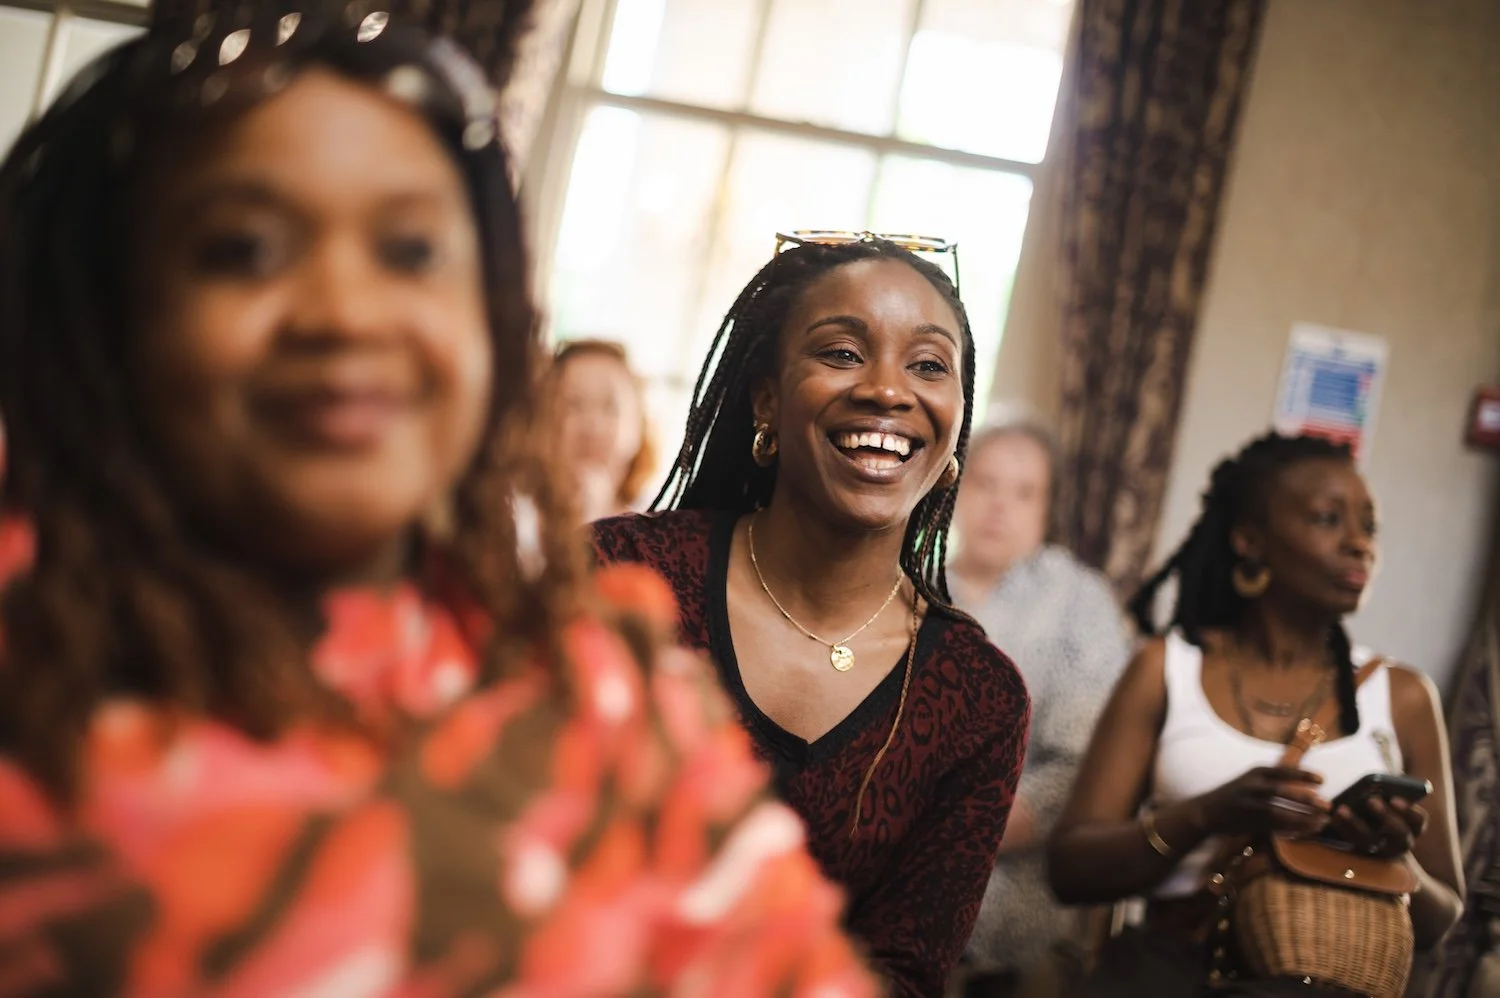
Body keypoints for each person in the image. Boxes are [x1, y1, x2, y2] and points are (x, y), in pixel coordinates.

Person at [0, 9, 877, 995]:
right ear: (108, 316)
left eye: (412, 252)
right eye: (244, 249)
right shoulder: (30, 681)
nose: (346, 309)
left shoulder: (600, 686)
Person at [592, 232, 1032, 998]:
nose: (889, 391)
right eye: (841, 353)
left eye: (929, 365)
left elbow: (903, 973)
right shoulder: (622, 579)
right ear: (766, 398)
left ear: (956, 421)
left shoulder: (977, 699)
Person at [1047, 432, 1465, 996]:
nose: (1359, 543)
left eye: (1369, 526)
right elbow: (1070, 870)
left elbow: (1441, 923)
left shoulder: (1406, 696)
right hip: (1172, 971)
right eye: (1326, 519)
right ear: (1250, 540)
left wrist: (1396, 862)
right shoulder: (1166, 668)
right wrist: (1207, 813)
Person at [947, 422, 1130, 994]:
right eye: (985, 483)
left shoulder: (1079, 601)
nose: (1000, 505)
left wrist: (954, 834)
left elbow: (1083, 766)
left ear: (1047, 509)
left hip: (1015, 917)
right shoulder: (912, 582)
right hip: (891, 894)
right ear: (953, 486)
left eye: (1024, 492)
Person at [544, 338, 655, 524]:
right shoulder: (515, 517)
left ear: (639, 424)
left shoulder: (658, 527)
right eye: (573, 404)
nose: (592, 424)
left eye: (609, 407)